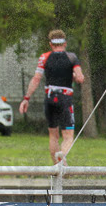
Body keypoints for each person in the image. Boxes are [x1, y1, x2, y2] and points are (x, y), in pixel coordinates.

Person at [19, 30, 86, 164]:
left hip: (49, 98)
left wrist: (26, 98)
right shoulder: (72, 57)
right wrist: (72, 76)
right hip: (65, 98)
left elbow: (36, 79)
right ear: (65, 43)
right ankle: (62, 156)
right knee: (67, 136)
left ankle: (56, 168)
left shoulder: (44, 57)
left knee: (53, 135)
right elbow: (80, 78)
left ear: (51, 44)